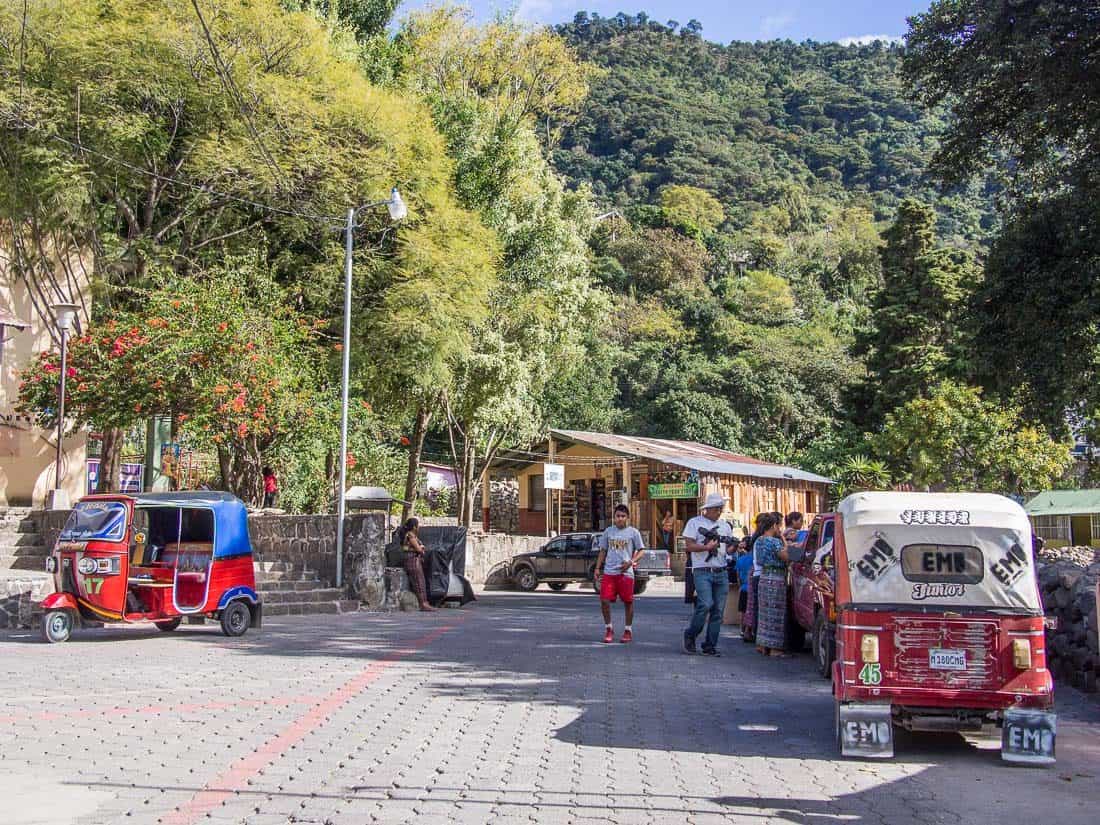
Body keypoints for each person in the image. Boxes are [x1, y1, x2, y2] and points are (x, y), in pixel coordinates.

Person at [682, 492, 734, 656]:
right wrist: (706, 548)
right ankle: (691, 634)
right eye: (715, 508)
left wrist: (734, 548)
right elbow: (689, 546)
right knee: (705, 604)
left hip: (721, 569)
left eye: (720, 508)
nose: (718, 511)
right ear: (707, 509)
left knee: (718, 610)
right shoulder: (694, 523)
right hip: (702, 570)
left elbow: (728, 549)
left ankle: (710, 644)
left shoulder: (725, 526)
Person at [594, 504, 646, 643]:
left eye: (623, 516)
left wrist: (631, 562)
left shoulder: (633, 532)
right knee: (604, 600)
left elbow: (641, 550)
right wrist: (597, 568)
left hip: (626, 573)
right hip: (609, 572)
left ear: (627, 518)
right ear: (614, 517)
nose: (620, 519)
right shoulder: (608, 532)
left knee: (628, 602)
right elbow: (603, 550)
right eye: (618, 516)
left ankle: (628, 630)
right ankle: (608, 629)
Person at [754, 512, 790, 656]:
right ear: (774, 525)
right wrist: (783, 539)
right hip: (775, 578)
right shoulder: (774, 542)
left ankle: (762, 645)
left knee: (764, 613)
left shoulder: (759, 540)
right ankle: (775, 648)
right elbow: (786, 556)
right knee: (776, 613)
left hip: (764, 577)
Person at [397, 517, 436, 612]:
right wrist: (422, 548)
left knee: (420, 582)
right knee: (419, 583)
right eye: (418, 525)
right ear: (414, 526)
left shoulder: (410, 535)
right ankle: (423, 604)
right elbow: (418, 549)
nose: (419, 527)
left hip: (412, 560)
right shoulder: (410, 535)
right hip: (413, 561)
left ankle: (424, 603)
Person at [735, 540, 755, 643]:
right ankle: (750, 630)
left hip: (743, 587)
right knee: (752, 610)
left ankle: (742, 630)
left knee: (743, 611)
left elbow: (738, 576)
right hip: (752, 587)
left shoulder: (740, 559)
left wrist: (740, 586)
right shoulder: (754, 559)